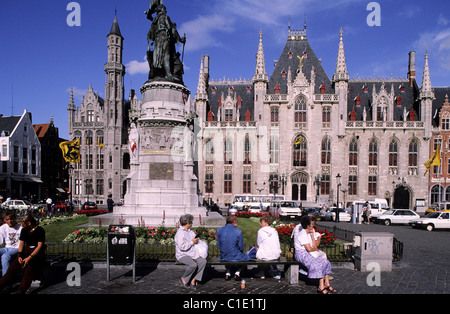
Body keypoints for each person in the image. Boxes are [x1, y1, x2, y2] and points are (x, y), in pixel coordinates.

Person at [0, 214, 46, 294]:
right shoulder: (24, 230)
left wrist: (29, 258)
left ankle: (21, 290)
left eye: (23, 224)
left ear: (29, 223)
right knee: (12, 269)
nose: (21, 226)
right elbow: (21, 243)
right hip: (26, 251)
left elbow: (39, 246)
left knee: (29, 269)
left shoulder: (40, 230)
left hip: (36, 253)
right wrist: (19, 255)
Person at [294, 215, 336, 294]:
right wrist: (315, 249)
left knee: (325, 262)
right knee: (318, 263)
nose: (313, 226)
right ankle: (321, 286)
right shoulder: (302, 234)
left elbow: (313, 246)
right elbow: (309, 249)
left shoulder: (308, 233)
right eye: (312, 224)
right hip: (301, 254)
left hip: (307, 253)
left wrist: (313, 236)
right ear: (308, 226)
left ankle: (326, 283)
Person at [174, 214, 206, 290]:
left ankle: (194, 280)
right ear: (187, 223)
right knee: (193, 264)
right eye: (191, 222)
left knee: (203, 261)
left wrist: (196, 240)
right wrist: (192, 242)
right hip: (183, 254)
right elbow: (182, 247)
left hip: (192, 253)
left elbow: (194, 240)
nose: (192, 223)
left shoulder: (190, 231)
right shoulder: (180, 233)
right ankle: (184, 279)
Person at [217, 215, 249, 280]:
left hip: (224, 255)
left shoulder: (219, 230)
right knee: (246, 257)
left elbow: (219, 244)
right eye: (236, 221)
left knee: (228, 255)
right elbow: (241, 247)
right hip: (234, 255)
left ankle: (228, 273)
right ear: (233, 221)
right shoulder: (238, 231)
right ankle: (237, 273)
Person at [0, 210, 22, 276]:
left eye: (11, 219)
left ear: (15, 218)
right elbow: (0, 241)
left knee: (5, 256)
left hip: (17, 248)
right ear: (4, 219)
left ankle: (5, 280)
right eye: (7, 219)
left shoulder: (20, 227)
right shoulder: (3, 227)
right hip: (7, 248)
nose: (9, 221)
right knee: (5, 254)